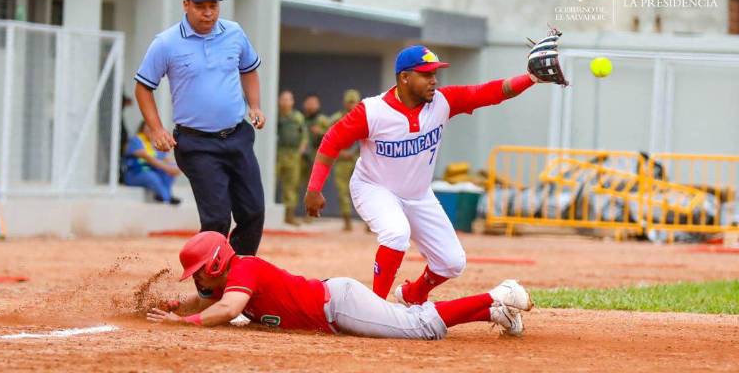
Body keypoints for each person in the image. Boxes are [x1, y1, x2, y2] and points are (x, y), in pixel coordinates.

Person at [304, 38, 564, 305]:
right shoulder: (372, 111)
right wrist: (314, 188)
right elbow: (332, 141)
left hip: (418, 195)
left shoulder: (442, 102)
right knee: (396, 232)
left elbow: (490, 92)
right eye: (426, 74)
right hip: (373, 188)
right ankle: (374, 307)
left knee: (452, 262)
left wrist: (530, 78)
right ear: (404, 78)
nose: (434, 80)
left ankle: (413, 294)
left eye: (435, 74)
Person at [146, 232, 533, 340]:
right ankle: (493, 312)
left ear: (216, 262)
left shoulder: (243, 268)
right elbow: (203, 300)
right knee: (407, 318)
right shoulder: (230, 277)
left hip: (338, 305)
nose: (197, 277)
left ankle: (497, 294)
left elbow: (227, 310)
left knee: (419, 327)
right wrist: (171, 309)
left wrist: (184, 325)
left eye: (198, 269)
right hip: (336, 302)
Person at [134, 0, 266, 255]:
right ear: (186, 5)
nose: (208, 13)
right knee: (217, 219)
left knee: (253, 212)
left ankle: (237, 276)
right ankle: (208, 285)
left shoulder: (234, 33)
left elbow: (249, 69)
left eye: (213, 6)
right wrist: (157, 130)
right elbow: (143, 88)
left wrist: (254, 105)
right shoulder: (166, 43)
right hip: (196, 145)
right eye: (200, 6)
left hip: (237, 136)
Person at [123, 122, 182, 204]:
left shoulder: (156, 143)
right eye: (148, 128)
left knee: (168, 171)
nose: (150, 130)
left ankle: (165, 195)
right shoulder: (136, 141)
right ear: (142, 128)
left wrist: (175, 168)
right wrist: (167, 168)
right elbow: (148, 158)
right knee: (152, 177)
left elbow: (167, 159)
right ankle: (166, 198)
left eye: (152, 128)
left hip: (152, 172)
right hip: (135, 174)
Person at [329, 89, 362, 232]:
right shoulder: (337, 118)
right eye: (349, 102)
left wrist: (354, 152)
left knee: (363, 192)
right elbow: (330, 138)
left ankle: (369, 223)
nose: (351, 105)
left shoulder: (364, 118)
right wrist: (341, 152)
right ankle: (347, 220)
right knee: (342, 191)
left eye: (354, 102)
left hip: (360, 160)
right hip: (342, 160)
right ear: (344, 103)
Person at [276, 90, 308, 226]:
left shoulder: (297, 117)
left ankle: (289, 215)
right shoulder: (275, 115)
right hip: (278, 153)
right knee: (269, 181)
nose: (285, 102)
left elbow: (304, 134)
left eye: (288, 99)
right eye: (283, 99)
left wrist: (302, 147)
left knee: (291, 184)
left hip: (293, 154)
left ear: (292, 102)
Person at [300, 93, 329, 219]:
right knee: (297, 184)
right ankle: (294, 215)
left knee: (313, 186)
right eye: (309, 103)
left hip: (316, 156)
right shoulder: (301, 119)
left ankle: (310, 216)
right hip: (301, 156)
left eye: (313, 103)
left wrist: (320, 132)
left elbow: (331, 135)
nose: (311, 106)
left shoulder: (322, 120)